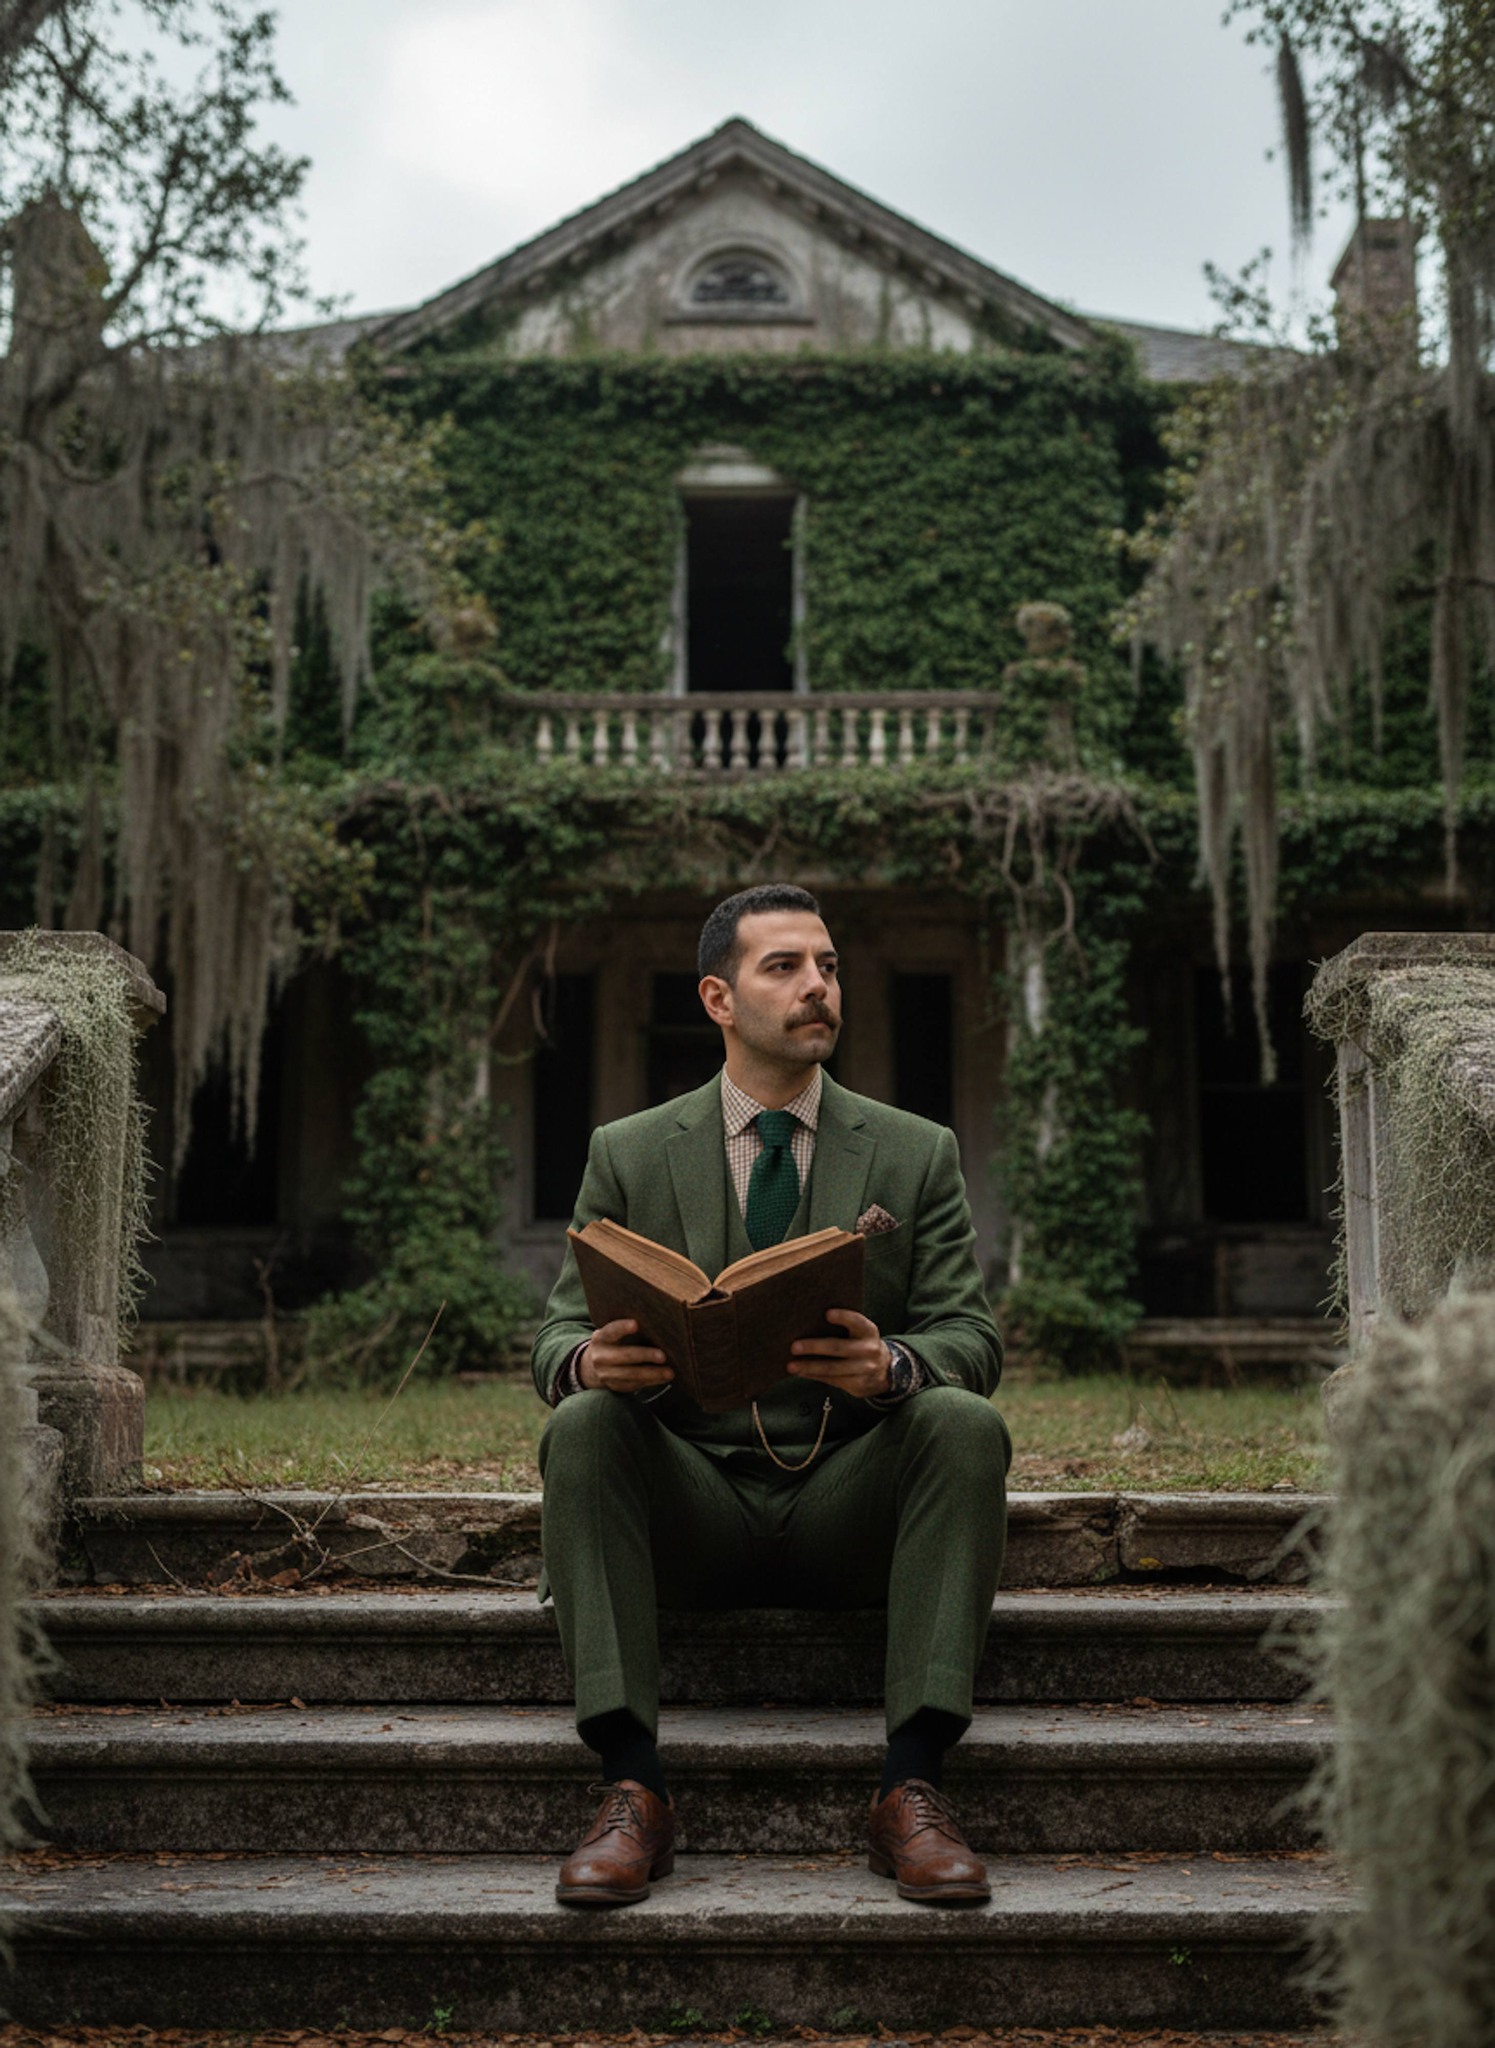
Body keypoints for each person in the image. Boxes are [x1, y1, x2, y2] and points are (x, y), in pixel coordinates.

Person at [531, 883, 1010, 1910]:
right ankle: (632, 1789)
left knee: (964, 1421)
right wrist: (587, 1363)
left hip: (849, 1498)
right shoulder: (626, 1149)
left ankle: (910, 1788)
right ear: (718, 996)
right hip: (689, 1499)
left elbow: (971, 1336)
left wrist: (896, 1366)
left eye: (827, 965)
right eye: (783, 967)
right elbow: (556, 1336)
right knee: (580, 1423)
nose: (816, 987)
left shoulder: (914, 1149)